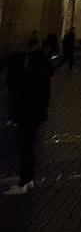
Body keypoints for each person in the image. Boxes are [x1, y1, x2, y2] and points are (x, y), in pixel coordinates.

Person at [4, 38, 53, 195]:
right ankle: (29, 179)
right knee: (30, 147)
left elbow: (12, 84)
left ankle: (23, 182)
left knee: (25, 147)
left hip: (26, 113)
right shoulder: (42, 68)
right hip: (37, 113)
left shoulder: (25, 69)